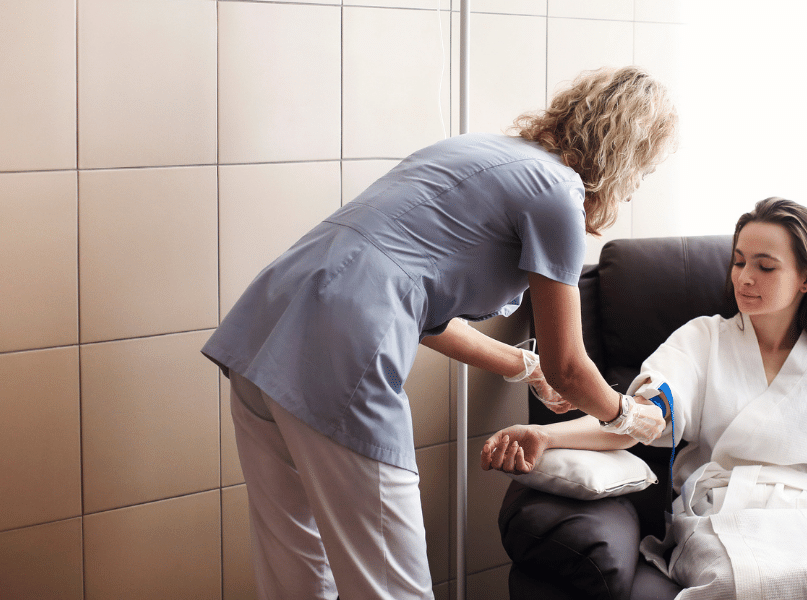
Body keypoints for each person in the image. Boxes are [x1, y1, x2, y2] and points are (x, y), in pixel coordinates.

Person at [202, 66, 676, 600]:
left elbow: (420, 306)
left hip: (267, 322)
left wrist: (525, 365)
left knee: (294, 567)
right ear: (628, 154)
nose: (636, 187)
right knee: (391, 585)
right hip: (343, 346)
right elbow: (571, 363)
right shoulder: (558, 196)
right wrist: (625, 417)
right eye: (646, 171)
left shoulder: (477, 151)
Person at [481, 197, 807, 600]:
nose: (745, 279)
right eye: (740, 262)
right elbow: (638, 419)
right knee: (738, 585)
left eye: (765, 267)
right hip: (724, 508)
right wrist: (545, 434)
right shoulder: (702, 340)